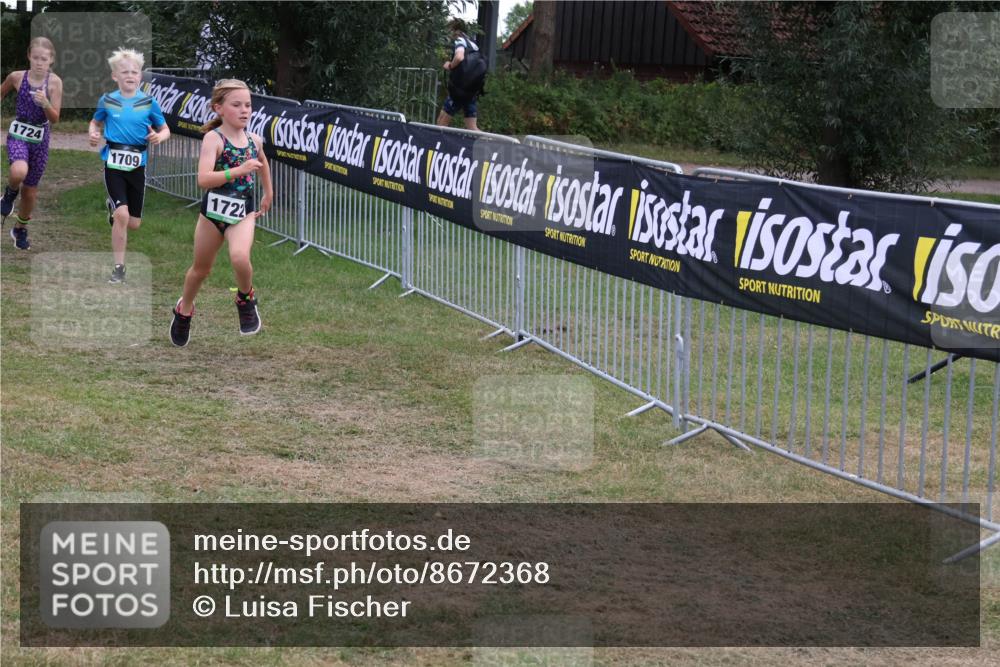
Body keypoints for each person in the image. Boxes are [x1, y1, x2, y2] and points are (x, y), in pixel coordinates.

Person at [169, 79, 272, 347]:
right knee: (200, 270)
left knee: (239, 257)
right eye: (236, 105)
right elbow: (203, 179)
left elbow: (262, 163)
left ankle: (245, 298)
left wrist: (268, 193)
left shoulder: (254, 140)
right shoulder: (214, 139)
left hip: (242, 212)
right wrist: (238, 170)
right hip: (212, 215)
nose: (244, 110)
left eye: (248, 105)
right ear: (219, 108)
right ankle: (184, 309)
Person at [88, 47, 170, 283]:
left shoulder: (149, 102)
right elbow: (95, 122)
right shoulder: (107, 100)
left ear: (140, 75)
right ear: (115, 76)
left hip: (137, 166)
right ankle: (119, 268)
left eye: (134, 72)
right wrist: (93, 134)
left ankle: (113, 211)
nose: (130, 76)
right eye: (124, 72)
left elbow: (165, 129)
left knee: (133, 223)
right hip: (113, 165)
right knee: (123, 215)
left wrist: (158, 137)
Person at [0, 37, 63, 250]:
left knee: (30, 192)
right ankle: (9, 194)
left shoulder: (55, 82)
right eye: (35, 57)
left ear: (51, 60)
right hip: (19, 133)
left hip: (40, 139)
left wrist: (45, 103)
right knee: (19, 171)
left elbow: (55, 118)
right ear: (28, 56)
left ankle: (20, 229)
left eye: (43, 59)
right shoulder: (17, 77)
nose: (39, 62)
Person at [436, 19, 487, 131]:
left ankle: (438, 143)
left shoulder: (460, 41)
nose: (448, 33)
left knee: (441, 123)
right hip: (471, 91)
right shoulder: (473, 43)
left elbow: (459, 57)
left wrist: (450, 65)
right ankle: (488, 141)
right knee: (472, 128)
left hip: (459, 91)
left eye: (449, 30)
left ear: (455, 30)